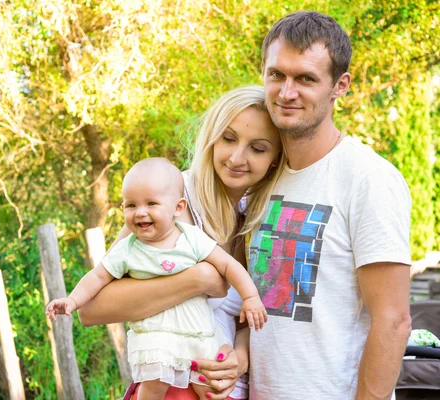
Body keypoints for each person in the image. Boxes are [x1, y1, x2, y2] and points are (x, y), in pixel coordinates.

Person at [77, 86, 286, 399]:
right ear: (211, 138)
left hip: (225, 389)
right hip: (169, 386)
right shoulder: (171, 201)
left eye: (257, 148)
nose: (237, 157)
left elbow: (243, 318)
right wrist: (195, 280)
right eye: (228, 139)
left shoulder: (258, 216)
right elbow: (91, 309)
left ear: (274, 159)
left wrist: (237, 361)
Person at [246, 10, 412, 399]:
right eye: (277, 75)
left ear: (340, 85)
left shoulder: (368, 179)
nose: (287, 92)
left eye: (305, 78)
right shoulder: (256, 176)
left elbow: (393, 321)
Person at [46, 157, 268, 400]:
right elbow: (97, 277)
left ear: (178, 207)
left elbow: (228, 265)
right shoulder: (128, 249)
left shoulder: (191, 237)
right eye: (130, 205)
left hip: (197, 331)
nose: (140, 212)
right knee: (153, 385)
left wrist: (250, 297)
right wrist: (72, 300)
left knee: (210, 388)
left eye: (152, 203)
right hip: (158, 336)